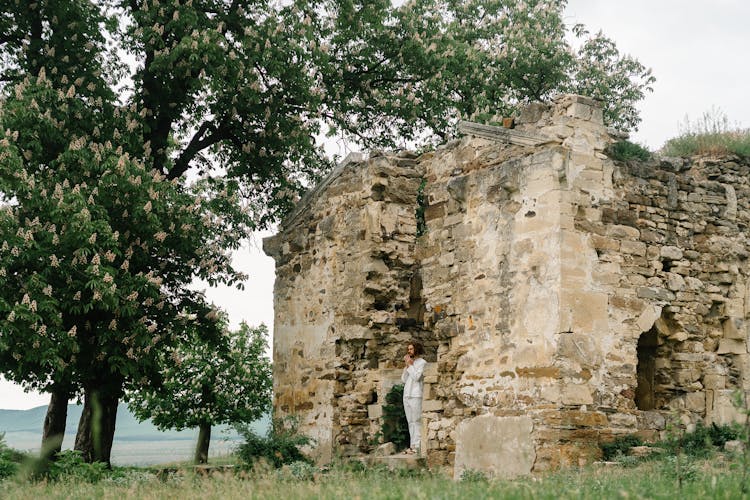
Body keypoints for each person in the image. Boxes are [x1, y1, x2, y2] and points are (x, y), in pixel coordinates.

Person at [401, 341, 426, 454]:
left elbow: (417, 377)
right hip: (407, 394)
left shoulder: (422, 363)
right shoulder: (409, 362)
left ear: (416, 349)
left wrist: (411, 366)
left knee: (417, 420)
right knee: (410, 421)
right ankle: (413, 446)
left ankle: (418, 446)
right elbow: (403, 379)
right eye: (408, 349)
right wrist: (407, 366)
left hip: (416, 394)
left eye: (411, 349)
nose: (409, 351)